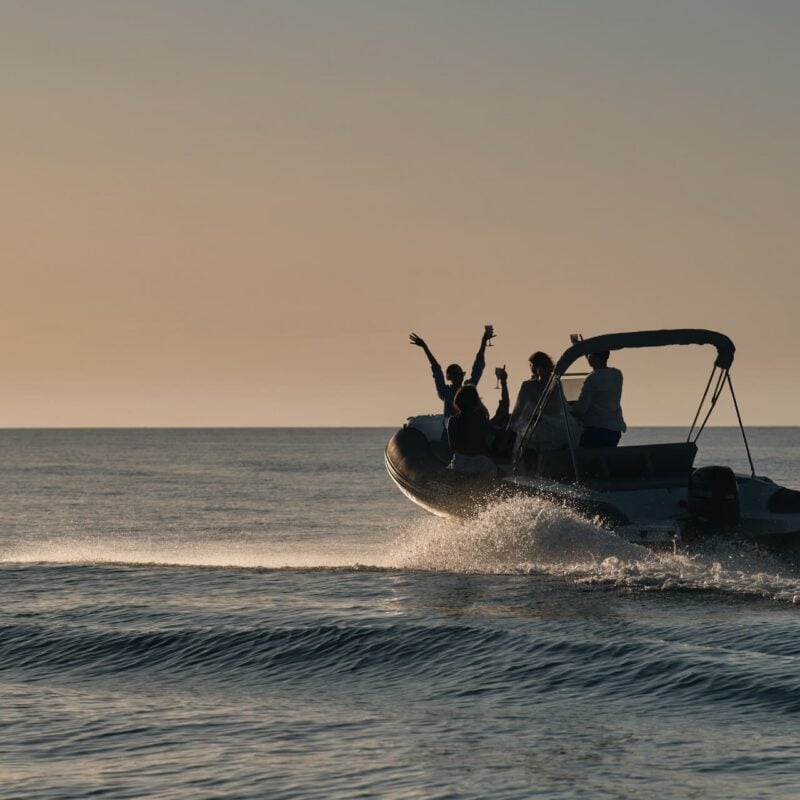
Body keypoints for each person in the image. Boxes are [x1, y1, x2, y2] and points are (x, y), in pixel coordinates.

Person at [409, 326, 495, 424]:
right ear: (450, 378)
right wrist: (425, 347)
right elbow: (436, 369)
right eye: (455, 375)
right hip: (449, 434)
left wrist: (484, 342)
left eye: (460, 374)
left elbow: (478, 366)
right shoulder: (445, 392)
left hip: (467, 430)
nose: (459, 377)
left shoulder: (468, 389)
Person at [571, 350, 626, 447]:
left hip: (594, 431)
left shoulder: (592, 378)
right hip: (614, 431)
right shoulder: (617, 374)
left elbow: (581, 408)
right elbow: (599, 366)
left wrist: (569, 409)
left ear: (592, 357)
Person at [446, 384, 497, 477]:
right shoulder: (479, 419)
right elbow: (494, 433)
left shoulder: (452, 421)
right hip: (478, 462)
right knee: (500, 471)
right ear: (475, 402)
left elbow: (452, 446)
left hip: (458, 462)